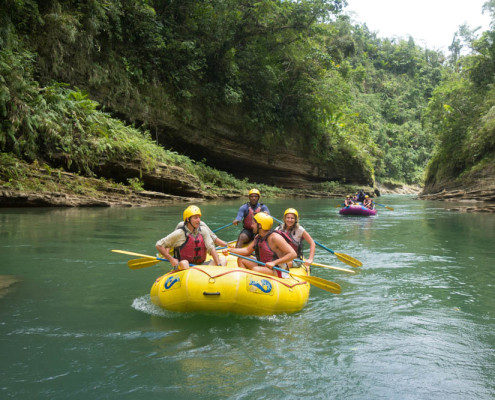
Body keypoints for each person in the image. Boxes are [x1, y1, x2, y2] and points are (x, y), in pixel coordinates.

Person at [224, 212, 296, 277]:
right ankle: (244, 281)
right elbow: (247, 250)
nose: (251, 226)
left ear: (260, 225)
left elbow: (293, 254)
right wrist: (229, 250)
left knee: (256, 269)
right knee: (241, 259)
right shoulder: (258, 237)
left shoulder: (275, 237)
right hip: (264, 264)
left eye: (253, 223)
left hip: (278, 269)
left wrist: (274, 263)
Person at [156, 205, 225, 270]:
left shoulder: (203, 230)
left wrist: (219, 266)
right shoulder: (180, 233)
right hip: (184, 267)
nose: (199, 220)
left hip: (201, 266)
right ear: (188, 219)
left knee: (222, 260)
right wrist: (171, 259)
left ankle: (206, 276)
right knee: (184, 263)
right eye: (195, 218)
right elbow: (159, 245)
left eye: (199, 217)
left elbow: (211, 248)